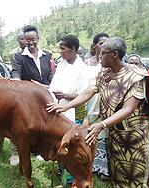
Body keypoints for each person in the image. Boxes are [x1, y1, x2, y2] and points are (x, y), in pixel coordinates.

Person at [47, 37, 149, 187]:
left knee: (135, 173)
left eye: (103, 53)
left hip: (133, 137)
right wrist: (66, 106)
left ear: (115, 54)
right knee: (117, 170)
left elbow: (127, 109)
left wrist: (101, 124)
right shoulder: (104, 73)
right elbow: (87, 93)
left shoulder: (136, 77)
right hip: (115, 133)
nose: (98, 56)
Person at [50, 34, 89, 187]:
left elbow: (84, 93)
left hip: (76, 109)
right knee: (61, 141)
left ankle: (74, 180)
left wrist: (65, 95)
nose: (61, 52)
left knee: (74, 143)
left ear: (73, 49)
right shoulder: (62, 64)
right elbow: (54, 83)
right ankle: (64, 174)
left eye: (63, 49)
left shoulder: (82, 69)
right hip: (60, 106)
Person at [11, 25, 52, 161]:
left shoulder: (46, 55)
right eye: (27, 40)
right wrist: (16, 80)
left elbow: (50, 74)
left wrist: (52, 85)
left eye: (33, 40)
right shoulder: (20, 57)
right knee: (33, 123)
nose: (30, 43)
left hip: (46, 94)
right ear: (24, 40)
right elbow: (16, 71)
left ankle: (44, 148)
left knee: (46, 121)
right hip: (29, 96)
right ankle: (32, 149)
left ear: (38, 39)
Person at [85, 32, 110, 178]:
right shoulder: (87, 64)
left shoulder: (112, 66)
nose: (104, 46)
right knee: (92, 134)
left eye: (107, 43)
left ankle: (104, 169)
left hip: (106, 109)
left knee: (104, 135)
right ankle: (92, 165)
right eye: (101, 43)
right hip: (90, 104)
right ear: (94, 46)